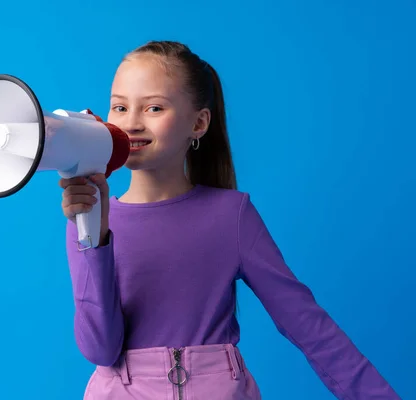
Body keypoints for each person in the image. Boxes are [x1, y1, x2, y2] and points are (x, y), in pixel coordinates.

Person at [58, 40, 399, 399]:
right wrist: (94, 240)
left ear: (199, 123)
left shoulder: (230, 216)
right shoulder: (87, 223)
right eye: (119, 106)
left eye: (154, 107)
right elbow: (101, 350)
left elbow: (307, 324)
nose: (131, 122)